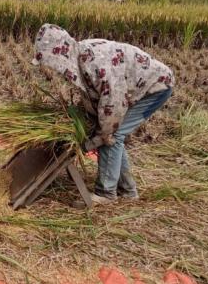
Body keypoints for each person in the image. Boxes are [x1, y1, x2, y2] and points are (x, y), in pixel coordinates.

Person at [32, 24, 174, 205]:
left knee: (111, 135)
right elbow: (95, 97)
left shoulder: (96, 63)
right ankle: (128, 190)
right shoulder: (80, 56)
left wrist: (99, 136)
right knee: (114, 134)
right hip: (134, 89)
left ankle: (106, 193)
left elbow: (113, 105)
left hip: (156, 87)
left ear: (60, 52)